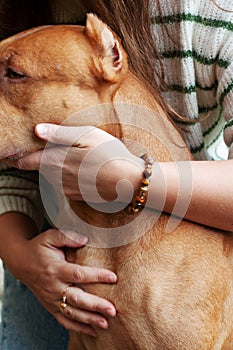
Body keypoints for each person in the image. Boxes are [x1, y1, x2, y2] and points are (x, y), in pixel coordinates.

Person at [0, 0, 233, 349]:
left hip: (199, 210)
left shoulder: (206, 13)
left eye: (14, 75)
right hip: (52, 252)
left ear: (110, 55)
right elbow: (12, 173)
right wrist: (21, 258)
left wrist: (131, 178)